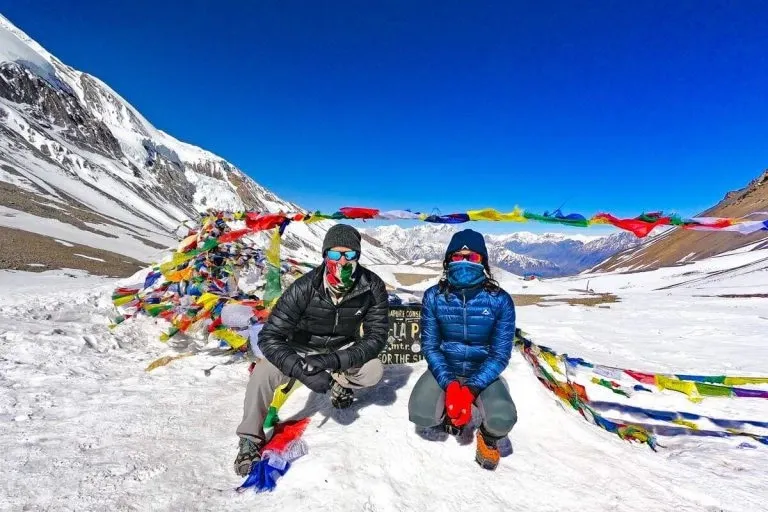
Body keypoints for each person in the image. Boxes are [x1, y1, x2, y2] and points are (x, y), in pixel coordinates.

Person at [234, 224, 389, 476]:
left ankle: (341, 384)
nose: (342, 261)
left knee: (373, 370)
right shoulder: (304, 287)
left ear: (358, 256)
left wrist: (334, 359)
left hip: (340, 350)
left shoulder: (372, 287)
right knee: (262, 374)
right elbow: (270, 336)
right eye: (335, 254)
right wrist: (300, 370)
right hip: (299, 349)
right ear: (324, 255)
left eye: (349, 255)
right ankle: (250, 437)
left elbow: (376, 337)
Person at [408, 228, 517, 470]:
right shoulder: (434, 297)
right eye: (457, 257)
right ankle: (448, 408)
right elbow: (431, 346)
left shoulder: (500, 301)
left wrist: (470, 389)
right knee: (421, 412)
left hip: (483, 374)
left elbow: (500, 355)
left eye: (472, 258)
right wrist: (450, 384)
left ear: (483, 263)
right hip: (446, 368)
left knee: (503, 418)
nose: (464, 262)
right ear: (448, 262)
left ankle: (488, 437)